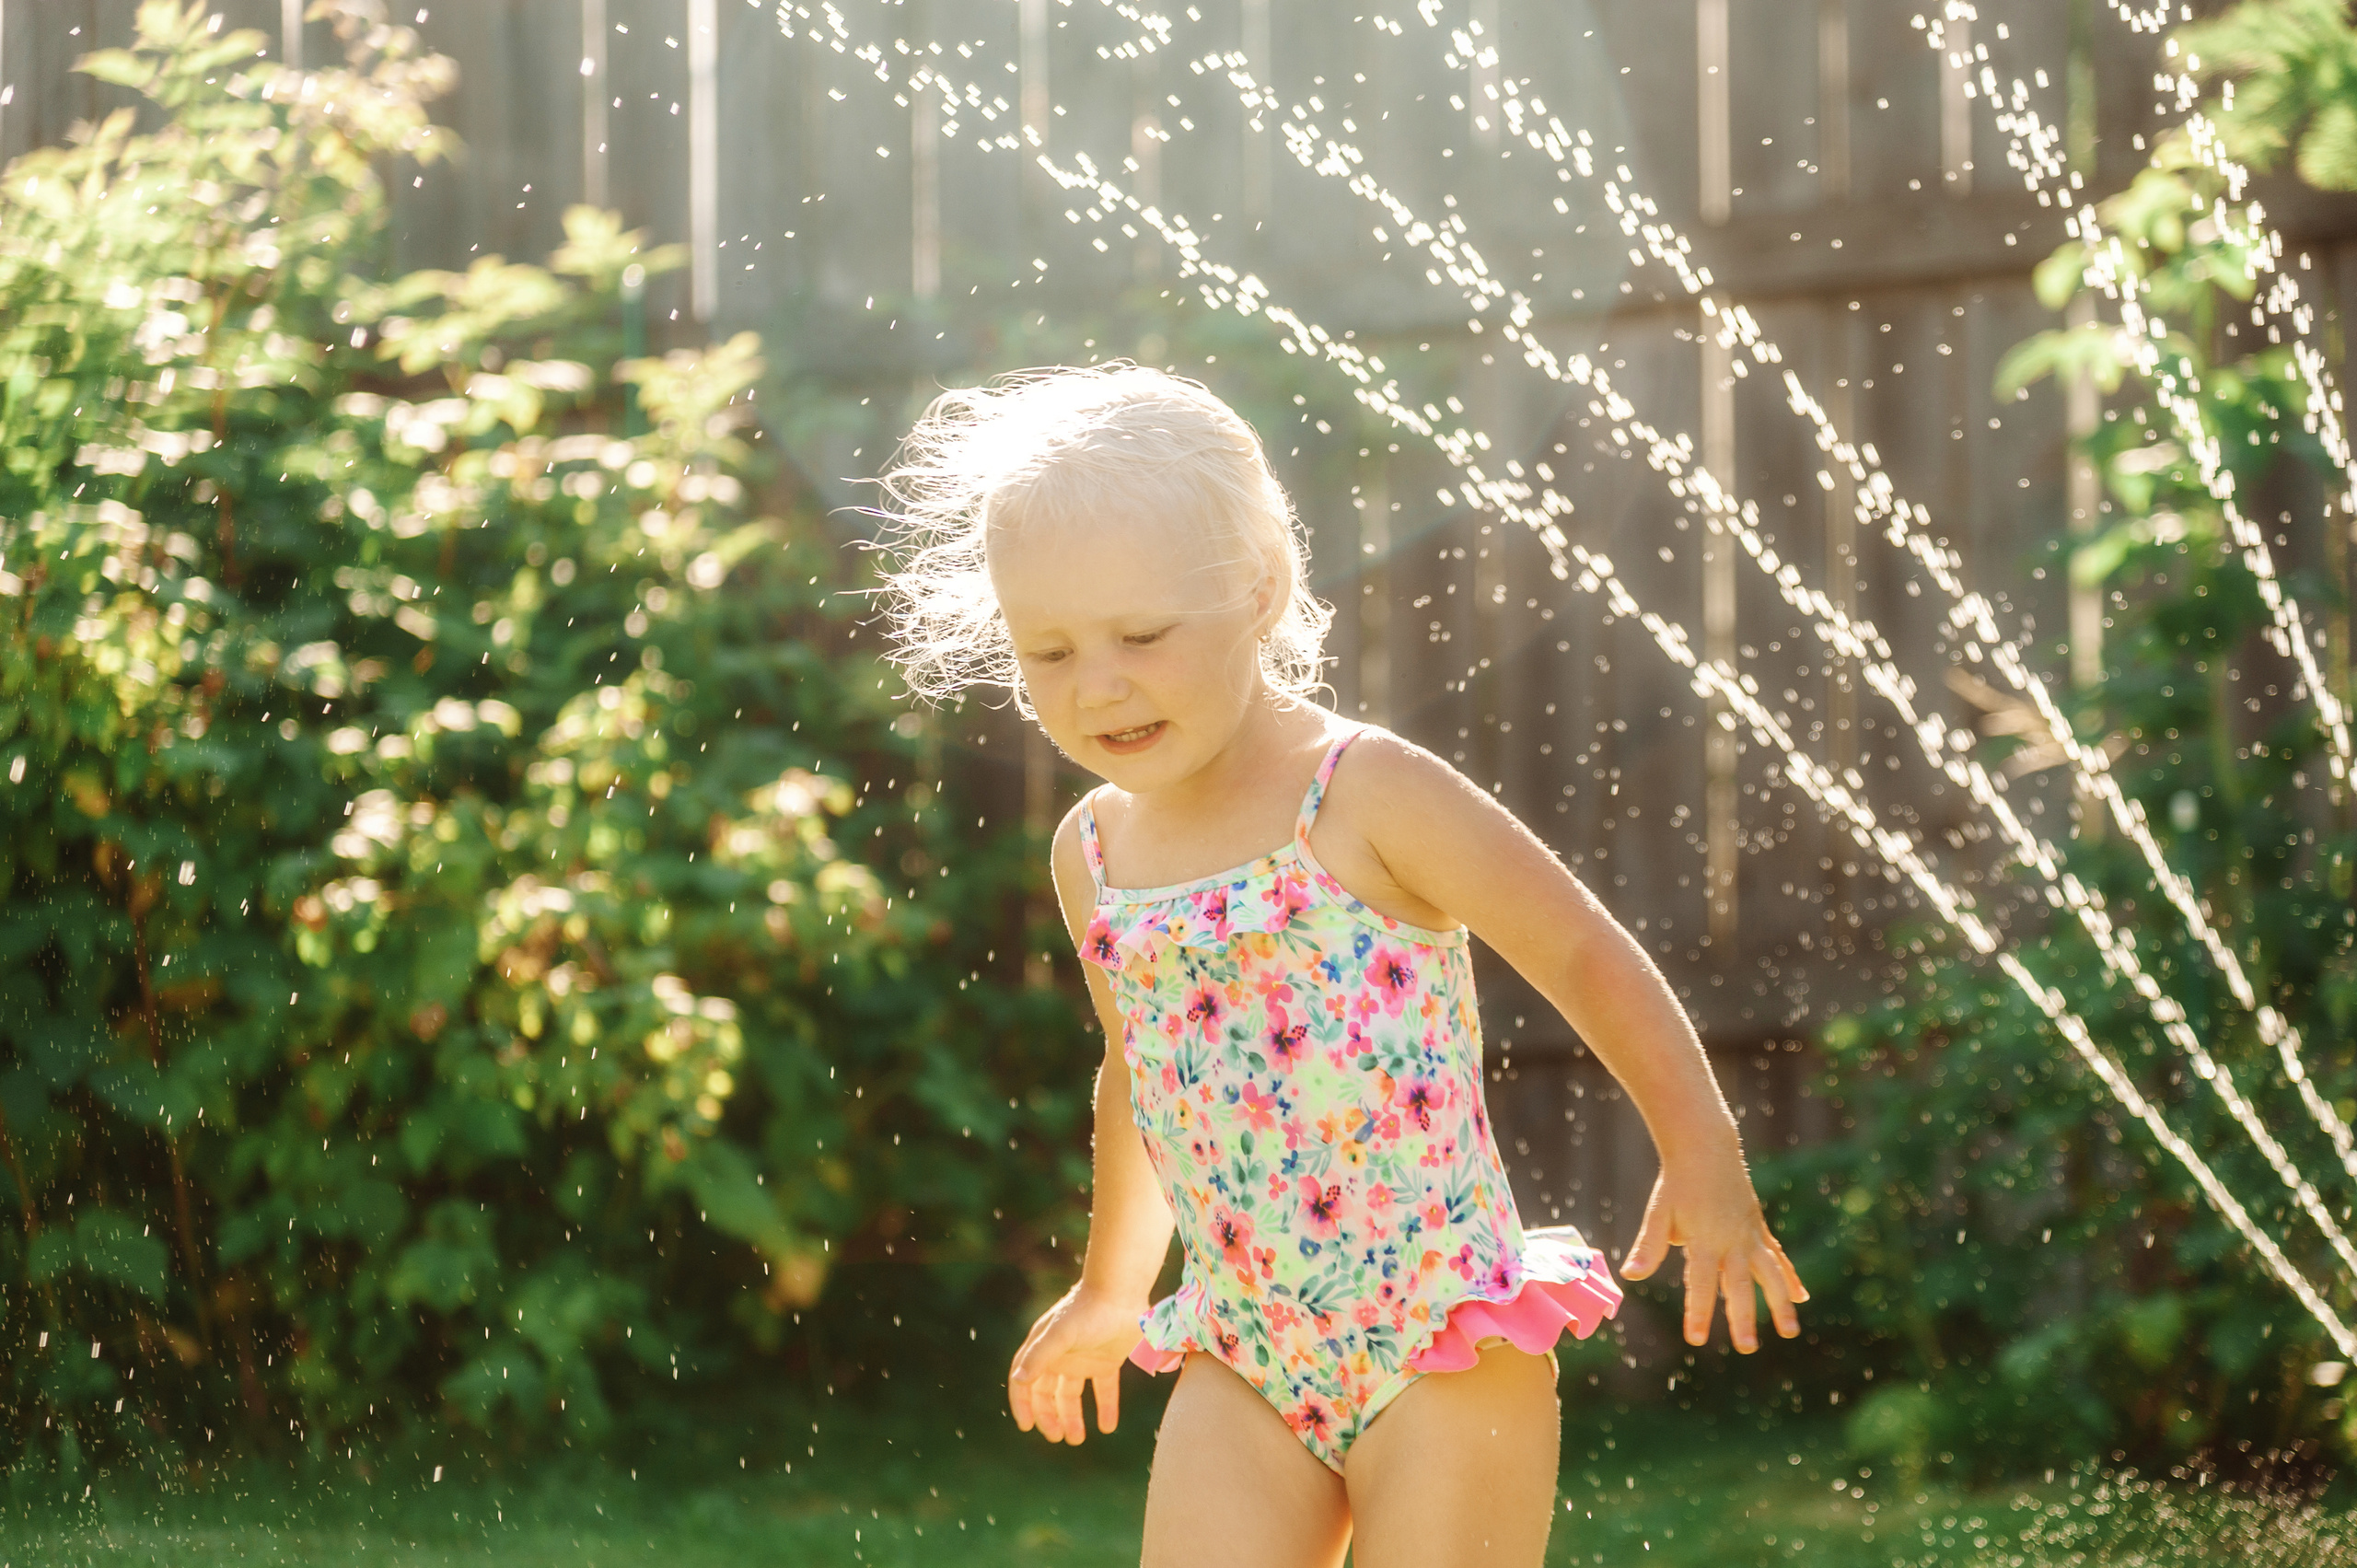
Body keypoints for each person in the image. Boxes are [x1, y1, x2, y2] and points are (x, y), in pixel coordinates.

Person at [873, 364, 1807, 1568]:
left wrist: (1704, 1154)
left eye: (1142, 636)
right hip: (1244, 1348)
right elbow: (1138, 1074)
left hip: (1438, 1336)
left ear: (1258, 588)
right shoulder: (1092, 853)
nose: (1097, 684)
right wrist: (1112, 1290)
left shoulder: (1364, 795)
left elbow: (1581, 950)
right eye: (1047, 651)